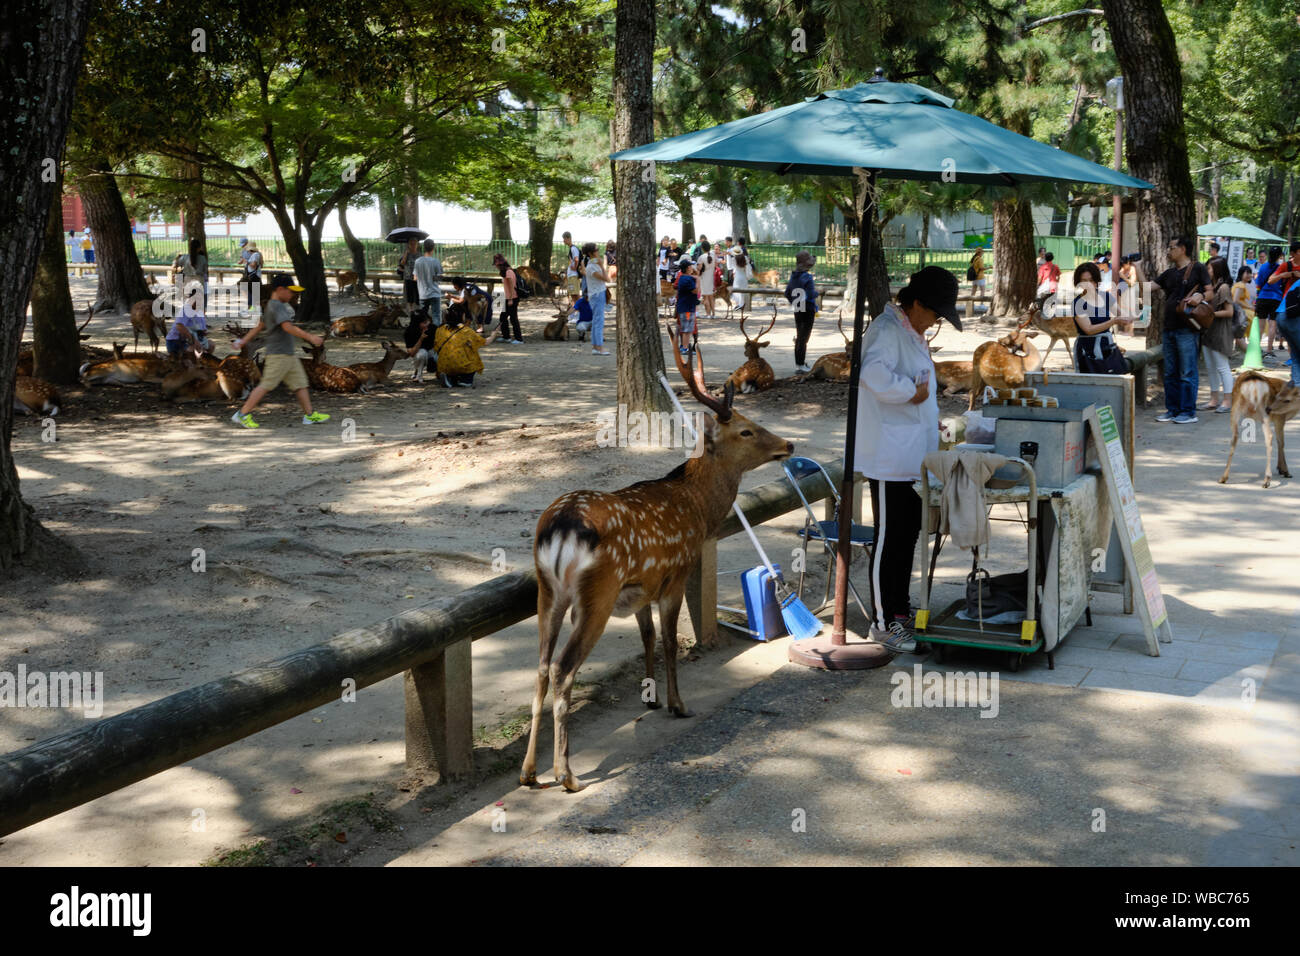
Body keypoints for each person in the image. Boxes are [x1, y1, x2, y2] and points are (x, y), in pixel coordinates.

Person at [854, 266, 962, 654]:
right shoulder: (886, 330)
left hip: (912, 453)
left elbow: (920, 382)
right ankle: (883, 622)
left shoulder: (910, 331)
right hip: (888, 453)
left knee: (906, 536)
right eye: (935, 313)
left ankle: (898, 610)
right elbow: (872, 375)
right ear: (916, 303)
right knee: (889, 538)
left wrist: (929, 418)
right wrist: (909, 395)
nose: (936, 322)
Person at [230, 273, 330, 428]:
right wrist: (310, 337)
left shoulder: (272, 305)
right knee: (266, 385)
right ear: (280, 289)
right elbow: (287, 327)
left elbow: (259, 326)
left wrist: (243, 341)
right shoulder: (277, 306)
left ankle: (309, 415)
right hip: (279, 355)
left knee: (300, 383)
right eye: (290, 291)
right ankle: (242, 414)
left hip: (287, 354)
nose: (293, 294)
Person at [1141, 235, 1212, 424]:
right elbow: (1146, 288)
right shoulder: (1169, 273)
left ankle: (1188, 412)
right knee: (1170, 371)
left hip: (1187, 329)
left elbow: (1210, 291)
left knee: (1187, 371)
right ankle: (1172, 410)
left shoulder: (1198, 268)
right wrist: (1137, 268)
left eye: (1172, 247)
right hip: (1169, 328)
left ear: (1183, 249)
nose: (1168, 251)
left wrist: (1199, 295)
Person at [1071, 262, 1125, 374]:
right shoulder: (1078, 303)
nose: (1088, 284)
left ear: (1097, 281)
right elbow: (1089, 329)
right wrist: (1113, 321)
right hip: (1088, 350)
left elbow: (1121, 315)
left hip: (1107, 347)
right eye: (1084, 281)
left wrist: (1132, 316)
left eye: (1091, 280)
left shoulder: (1105, 296)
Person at [1199, 257, 1236, 412]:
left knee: (1222, 367)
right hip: (1208, 333)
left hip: (1220, 333)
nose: (1207, 271)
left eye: (1210, 268)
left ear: (1217, 269)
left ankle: (1227, 401)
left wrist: (1210, 314)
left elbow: (1229, 311)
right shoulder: (1212, 288)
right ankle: (1214, 399)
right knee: (1211, 368)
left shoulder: (1224, 288)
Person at [433, 309, 500, 387]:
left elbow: (436, 346)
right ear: (461, 317)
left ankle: (450, 378)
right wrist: (494, 334)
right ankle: (466, 380)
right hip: (461, 365)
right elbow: (485, 342)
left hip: (443, 364)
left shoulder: (440, 329)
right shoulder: (466, 331)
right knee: (473, 353)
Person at [785, 251, 818, 373]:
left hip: (798, 308)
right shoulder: (807, 277)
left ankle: (799, 364)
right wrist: (819, 292)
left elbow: (787, 293)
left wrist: (794, 301)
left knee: (800, 336)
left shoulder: (793, 276)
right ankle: (801, 365)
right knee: (804, 338)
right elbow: (810, 294)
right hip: (808, 309)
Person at [1254, 247, 1285, 356]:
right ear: (1279, 256)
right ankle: (1269, 350)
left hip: (1262, 297)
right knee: (1272, 324)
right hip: (1276, 298)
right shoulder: (1281, 268)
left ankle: (1256, 349)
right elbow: (1283, 284)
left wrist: (1257, 298)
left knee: (1261, 325)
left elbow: (1258, 284)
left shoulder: (1263, 267)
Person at [583, 242, 611, 356]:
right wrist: (602, 266)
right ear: (591, 253)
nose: (598, 251)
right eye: (596, 250)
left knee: (596, 321)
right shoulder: (592, 267)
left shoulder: (590, 265)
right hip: (597, 294)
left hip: (596, 294)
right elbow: (606, 279)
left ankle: (596, 346)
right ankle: (599, 347)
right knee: (599, 321)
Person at [493, 253, 522, 343]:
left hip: (512, 298)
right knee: (503, 317)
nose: (496, 266)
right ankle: (506, 337)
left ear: (500, 264)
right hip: (508, 297)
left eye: (496, 265)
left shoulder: (508, 272)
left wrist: (510, 299)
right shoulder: (507, 271)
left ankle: (519, 339)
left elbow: (511, 286)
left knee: (513, 319)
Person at [414, 239, 443, 327]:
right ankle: (435, 335)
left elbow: (415, 278)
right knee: (436, 316)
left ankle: (423, 334)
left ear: (424, 248)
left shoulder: (418, 261)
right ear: (433, 248)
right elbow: (439, 278)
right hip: (434, 293)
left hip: (423, 293)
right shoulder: (436, 261)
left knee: (422, 317)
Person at [403, 309, 437, 383]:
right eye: (424, 323)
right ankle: (419, 375)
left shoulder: (433, 328)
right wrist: (421, 339)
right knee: (422, 354)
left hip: (432, 351)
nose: (427, 324)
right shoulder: (409, 332)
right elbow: (411, 353)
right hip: (419, 353)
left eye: (428, 321)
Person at [674, 256, 698, 349]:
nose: (692, 267)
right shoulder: (686, 279)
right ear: (688, 268)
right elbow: (695, 290)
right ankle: (684, 347)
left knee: (688, 329)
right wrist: (698, 280)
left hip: (687, 306)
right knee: (687, 329)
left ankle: (685, 346)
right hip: (686, 308)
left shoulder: (685, 277)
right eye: (691, 266)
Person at [1232, 265, 1256, 353]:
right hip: (1241, 312)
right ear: (1241, 274)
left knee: (1239, 335)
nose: (1249, 275)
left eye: (1250, 273)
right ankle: (1252, 353)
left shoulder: (1240, 284)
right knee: (1239, 335)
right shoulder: (1241, 285)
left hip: (1240, 311)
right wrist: (1250, 307)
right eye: (1247, 273)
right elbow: (1236, 300)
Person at [399, 238, 421, 317]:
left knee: (417, 294)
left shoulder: (419, 254)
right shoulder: (406, 253)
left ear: (417, 244)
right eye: (411, 244)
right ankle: (411, 310)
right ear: (408, 245)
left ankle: (417, 310)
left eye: (414, 243)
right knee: (410, 295)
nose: (412, 245)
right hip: (408, 277)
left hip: (417, 278)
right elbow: (402, 263)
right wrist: (406, 254)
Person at [731, 237, 754, 311]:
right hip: (744, 276)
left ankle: (739, 304)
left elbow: (733, 267)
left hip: (737, 275)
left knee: (736, 290)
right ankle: (742, 304)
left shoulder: (734, 259)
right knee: (743, 291)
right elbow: (747, 266)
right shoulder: (745, 258)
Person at [241, 241, 263, 316]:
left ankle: (253, 310)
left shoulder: (255, 255)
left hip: (254, 277)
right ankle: (252, 309)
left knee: (253, 294)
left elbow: (253, 265)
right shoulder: (257, 254)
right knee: (253, 294)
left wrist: (246, 262)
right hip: (255, 277)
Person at [697, 243, 717, 318]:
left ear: (702, 248)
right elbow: (715, 265)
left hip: (704, 277)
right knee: (711, 297)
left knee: (705, 297)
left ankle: (708, 314)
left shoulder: (701, 257)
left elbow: (699, 268)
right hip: (711, 277)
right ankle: (713, 314)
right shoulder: (713, 255)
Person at [563, 231, 582, 304]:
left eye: (564, 239)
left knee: (575, 294)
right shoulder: (572, 248)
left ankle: (580, 310)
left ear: (568, 238)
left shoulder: (573, 248)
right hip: (571, 275)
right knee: (573, 295)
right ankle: (576, 311)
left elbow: (576, 259)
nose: (563, 241)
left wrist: (574, 267)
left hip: (573, 275)